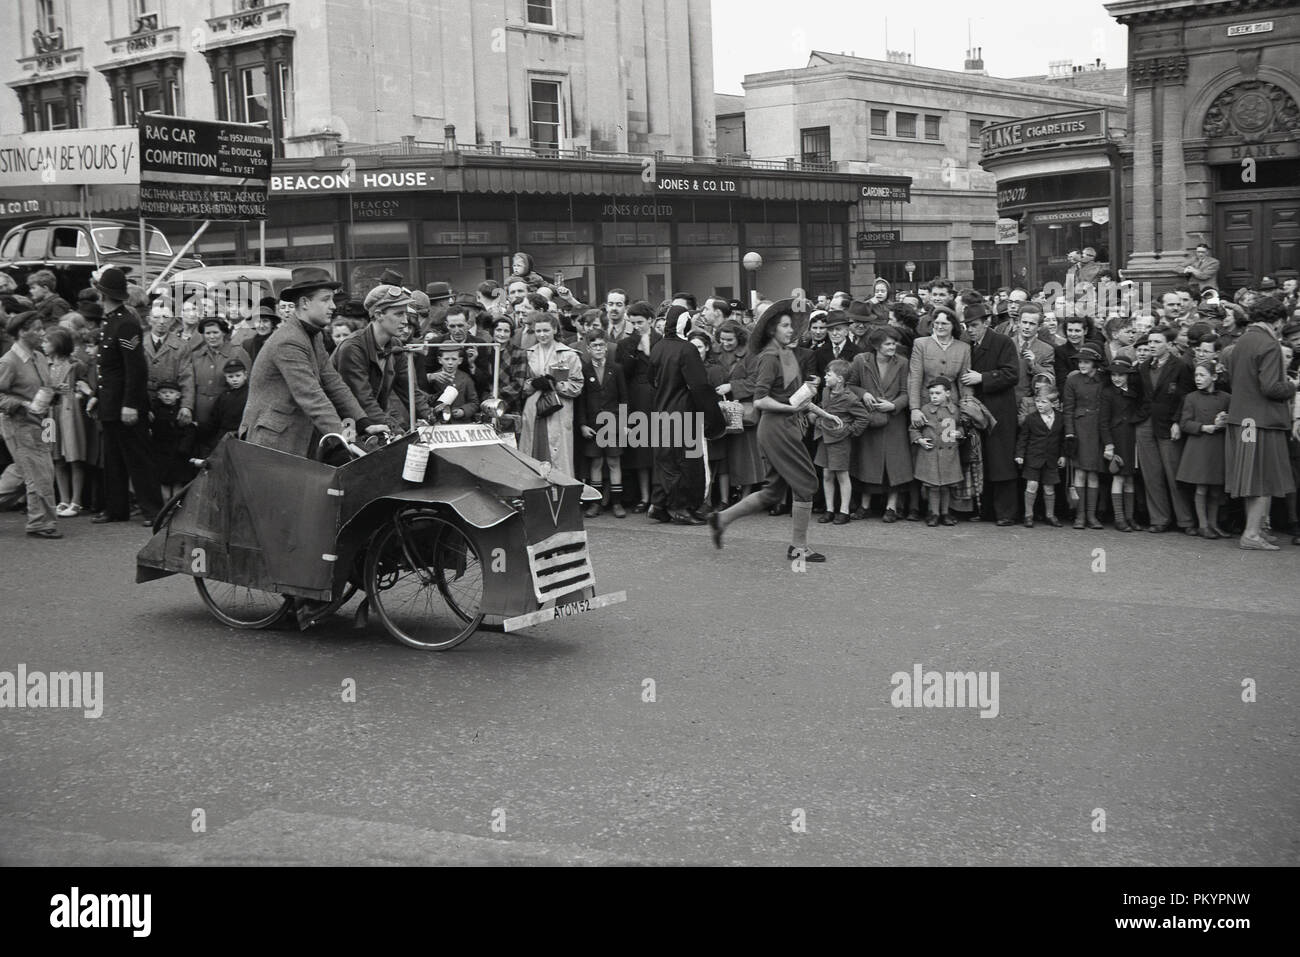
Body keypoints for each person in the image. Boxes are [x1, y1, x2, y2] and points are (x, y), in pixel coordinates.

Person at [708, 299, 842, 563]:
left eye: (792, 325)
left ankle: (721, 519)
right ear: (772, 330)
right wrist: (792, 410)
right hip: (777, 428)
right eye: (784, 326)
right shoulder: (770, 358)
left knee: (773, 492)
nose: (791, 330)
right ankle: (798, 548)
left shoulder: (786, 355)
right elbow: (760, 400)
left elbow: (795, 397)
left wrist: (825, 413)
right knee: (806, 483)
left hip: (781, 427)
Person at [240, 267, 381, 457]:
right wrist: (345, 438)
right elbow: (311, 395)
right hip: (272, 442)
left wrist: (363, 422)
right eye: (325, 299)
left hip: (294, 435)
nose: (333, 306)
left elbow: (333, 383)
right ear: (305, 302)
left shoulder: (313, 335)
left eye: (332, 299)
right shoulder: (288, 340)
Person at [1223, 297, 1297, 550]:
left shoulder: (1241, 341)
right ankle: (1252, 533)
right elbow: (1272, 388)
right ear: (1277, 321)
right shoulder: (1269, 344)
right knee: (1263, 478)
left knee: (1251, 478)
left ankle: (1254, 529)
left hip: (1242, 419)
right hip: (1263, 421)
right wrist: (1293, 386)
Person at [91, 268, 162, 526]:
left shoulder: (126, 323)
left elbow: (135, 368)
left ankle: (154, 510)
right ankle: (115, 508)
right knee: (113, 459)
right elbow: (108, 368)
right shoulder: (111, 321)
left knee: (138, 458)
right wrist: (97, 396)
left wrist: (130, 404)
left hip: (125, 404)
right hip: (111, 402)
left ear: (104, 295)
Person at [647, 306, 725, 525]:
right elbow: (700, 386)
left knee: (665, 461)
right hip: (683, 413)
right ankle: (681, 508)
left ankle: (659, 504)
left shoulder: (658, 346)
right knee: (686, 462)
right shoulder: (687, 349)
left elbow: (651, 378)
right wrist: (713, 417)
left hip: (661, 411)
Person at [332, 283, 431, 432]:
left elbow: (410, 391)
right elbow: (364, 400)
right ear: (378, 315)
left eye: (405, 314)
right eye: (399, 314)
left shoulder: (395, 344)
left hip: (372, 424)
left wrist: (433, 418)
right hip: (343, 428)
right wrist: (395, 431)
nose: (405, 320)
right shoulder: (352, 348)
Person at [0, 312, 61, 537]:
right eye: (37, 329)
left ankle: (41, 519)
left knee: (24, 471)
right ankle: (40, 523)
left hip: (44, 423)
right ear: (22, 332)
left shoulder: (39, 356)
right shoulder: (9, 361)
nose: (42, 333)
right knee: (38, 472)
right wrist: (22, 404)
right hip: (19, 425)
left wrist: (54, 393)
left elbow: (46, 386)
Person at [1135, 324, 1197, 534]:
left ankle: (1186, 521)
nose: (1151, 346)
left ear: (1169, 345)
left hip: (1169, 424)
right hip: (1145, 423)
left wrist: (1178, 422)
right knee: (1151, 474)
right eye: (1150, 342)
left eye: (1156, 342)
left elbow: (1186, 397)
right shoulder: (1143, 367)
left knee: (1174, 474)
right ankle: (1159, 519)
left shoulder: (1180, 366)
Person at [846, 326, 912, 521]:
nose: (893, 347)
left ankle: (891, 508)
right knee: (868, 463)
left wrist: (893, 405)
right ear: (876, 346)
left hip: (893, 420)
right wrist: (863, 393)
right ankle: (865, 506)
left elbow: (906, 393)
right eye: (888, 344)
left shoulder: (902, 362)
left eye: (894, 343)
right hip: (870, 419)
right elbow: (849, 385)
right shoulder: (861, 361)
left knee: (894, 466)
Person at [519, 312, 584, 477]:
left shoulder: (568, 354)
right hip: (534, 412)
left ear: (555, 329)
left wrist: (556, 384)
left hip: (558, 411)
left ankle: (562, 494)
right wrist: (532, 384)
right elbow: (521, 383)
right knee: (533, 452)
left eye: (546, 330)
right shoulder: (528, 353)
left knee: (558, 456)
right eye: (538, 331)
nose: (542, 335)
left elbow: (577, 385)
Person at [1177, 361, 1230, 539]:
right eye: (1196, 375)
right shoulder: (1191, 398)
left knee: (1216, 488)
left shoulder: (1226, 398)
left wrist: (1224, 421)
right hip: (1199, 446)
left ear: (1214, 377)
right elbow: (1184, 423)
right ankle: (1203, 525)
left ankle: (1214, 524)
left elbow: (1232, 419)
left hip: (1218, 446)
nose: (1197, 379)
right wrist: (1203, 427)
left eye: (1202, 375)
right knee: (1201, 486)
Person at [615, 302, 661, 510]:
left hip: (659, 396)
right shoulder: (626, 344)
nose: (636, 326)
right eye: (632, 323)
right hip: (636, 397)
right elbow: (622, 372)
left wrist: (649, 351)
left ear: (650, 321)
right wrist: (636, 350)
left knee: (659, 448)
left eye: (640, 322)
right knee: (641, 450)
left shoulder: (661, 341)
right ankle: (644, 497)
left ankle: (659, 494)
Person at [43, 326, 92, 518]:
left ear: (58, 344)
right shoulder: (44, 364)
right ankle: (63, 499)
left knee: (74, 455)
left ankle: (76, 501)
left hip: (70, 414)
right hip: (50, 413)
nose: (43, 345)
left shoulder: (75, 365)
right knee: (55, 456)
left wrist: (78, 393)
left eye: (47, 341)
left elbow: (85, 385)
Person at [814, 358, 870, 524]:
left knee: (842, 474)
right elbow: (823, 410)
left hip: (839, 441)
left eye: (828, 374)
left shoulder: (850, 398)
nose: (825, 377)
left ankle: (844, 511)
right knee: (826, 474)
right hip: (824, 438)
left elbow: (863, 418)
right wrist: (818, 420)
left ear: (840, 378)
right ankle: (829, 509)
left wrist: (849, 431)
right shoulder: (825, 391)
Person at [579, 329, 627, 518]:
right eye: (594, 346)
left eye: (601, 345)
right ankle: (595, 503)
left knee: (614, 462)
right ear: (588, 349)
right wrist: (582, 425)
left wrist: (624, 422)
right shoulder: (584, 370)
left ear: (606, 347)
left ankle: (617, 502)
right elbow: (581, 401)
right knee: (596, 463)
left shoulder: (616, 369)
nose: (598, 348)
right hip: (593, 425)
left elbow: (624, 397)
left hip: (613, 423)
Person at [910, 376, 964, 527]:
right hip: (930, 454)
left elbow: (960, 426)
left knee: (946, 485)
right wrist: (919, 439)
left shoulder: (955, 410)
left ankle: (945, 513)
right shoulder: (925, 410)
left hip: (949, 455)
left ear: (948, 393)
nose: (934, 396)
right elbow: (914, 428)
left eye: (938, 393)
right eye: (932, 393)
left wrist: (959, 434)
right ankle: (934, 513)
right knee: (933, 486)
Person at [1063, 346, 1107, 529]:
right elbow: (1068, 409)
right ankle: (1080, 516)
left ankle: (1092, 515)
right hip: (1080, 429)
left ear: (1095, 363)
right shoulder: (1072, 381)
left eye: (1086, 362)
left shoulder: (1103, 380)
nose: (1082, 365)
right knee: (1080, 472)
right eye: (1080, 361)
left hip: (1098, 429)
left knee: (1094, 473)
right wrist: (1070, 432)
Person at [1100, 356, 1144, 532]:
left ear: (1128, 376)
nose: (1116, 378)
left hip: (1131, 437)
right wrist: (1108, 444)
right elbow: (1103, 422)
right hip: (1116, 438)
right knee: (1118, 476)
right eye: (1113, 375)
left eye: (1121, 375)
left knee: (1129, 478)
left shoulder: (1134, 393)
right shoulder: (1107, 393)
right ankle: (1119, 518)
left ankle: (1130, 516)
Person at [1016, 387, 1066, 528]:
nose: (1039, 405)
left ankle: (1050, 515)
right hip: (1034, 457)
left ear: (1053, 403)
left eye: (1043, 402)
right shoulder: (1031, 419)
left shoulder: (1060, 418)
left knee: (1049, 488)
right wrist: (1019, 455)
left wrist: (1063, 455)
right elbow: (1023, 438)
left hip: (1051, 458)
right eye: (1037, 401)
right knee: (1032, 485)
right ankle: (1028, 515)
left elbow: (1062, 439)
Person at [191, 317, 244, 426]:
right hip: (199, 414)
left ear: (224, 333)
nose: (211, 336)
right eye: (208, 333)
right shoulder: (197, 355)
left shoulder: (238, 352)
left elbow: (247, 384)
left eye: (215, 332)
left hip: (227, 414)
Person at [148, 378, 196, 496]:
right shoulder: (155, 410)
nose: (167, 396)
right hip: (161, 451)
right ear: (159, 395)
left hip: (178, 452)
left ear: (178, 395)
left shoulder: (182, 412)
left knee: (178, 480)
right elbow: (150, 427)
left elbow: (190, 431)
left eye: (171, 393)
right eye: (164, 393)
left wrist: (184, 447)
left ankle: (176, 506)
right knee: (163, 479)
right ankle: (165, 508)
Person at [195, 359, 249, 461]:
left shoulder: (250, 395)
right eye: (230, 376)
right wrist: (198, 427)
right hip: (222, 438)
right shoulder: (224, 396)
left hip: (241, 438)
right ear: (226, 378)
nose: (234, 379)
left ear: (245, 375)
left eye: (238, 376)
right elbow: (214, 420)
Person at [425, 345, 480, 422]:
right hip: (438, 423)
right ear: (440, 360)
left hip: (460, 424)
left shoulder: (466, 378)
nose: (450, 362)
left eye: (454, 359)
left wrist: (463, 411)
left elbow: (474, 402)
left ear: (460, 360)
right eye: (446, 359)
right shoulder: (433, 378)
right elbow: (424, 399)